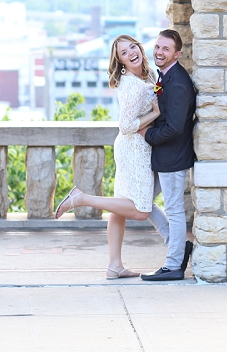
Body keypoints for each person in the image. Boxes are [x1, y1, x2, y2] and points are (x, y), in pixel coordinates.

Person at [54, 34, 160, 279]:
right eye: (124, 52)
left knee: (119, 209)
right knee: (140, 210)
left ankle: (115, 266)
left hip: (130, 147)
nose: (131, 52)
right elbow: (125, 125)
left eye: (132, 46)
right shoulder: (133, 85)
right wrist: (156, 114)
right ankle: (82, 198)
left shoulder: (147, 75)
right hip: (134, 148)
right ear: (121, 61)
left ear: (139, 48)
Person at [138, 29, 197, 281]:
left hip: (173, 157)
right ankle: (177, 244)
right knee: (141, 201)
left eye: (165, 49)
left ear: (177, 54)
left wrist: (147, 134)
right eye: (158, 47)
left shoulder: (179, 82)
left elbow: (174, 128)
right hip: (163, 157)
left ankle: (174, 265)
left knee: (173, 210)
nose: (159, 52)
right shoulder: (165, 76)